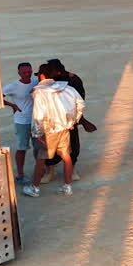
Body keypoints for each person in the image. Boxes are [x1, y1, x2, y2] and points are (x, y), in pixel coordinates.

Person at [24, 63, 85, 197]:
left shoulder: (39, 92)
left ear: (42, 75)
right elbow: (80, 104)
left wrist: (36, 133)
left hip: (47, 131)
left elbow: (38, 115)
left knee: (40, 160)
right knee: (66, 157)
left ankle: (35, 188)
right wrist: (73, 121)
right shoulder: (68, 88)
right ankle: (67, 187)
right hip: (64, 129)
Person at [42, 58, 95, 179]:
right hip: (53, 121)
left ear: (58, 71)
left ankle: (72, 168)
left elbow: (80, 100)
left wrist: (77, 118)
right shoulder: (49, 80)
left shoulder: (73, 79)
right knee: (50, 146)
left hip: (70, 119)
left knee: (73, 144)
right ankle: (49, 169)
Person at [2, 62, 35, 183]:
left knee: (39, 148)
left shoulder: (36, 82)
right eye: (24, 72)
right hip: (21, 121)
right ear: (19, 73)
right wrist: (12, 105)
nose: (27, 74)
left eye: (29, 71)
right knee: (22, 148)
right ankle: (20, 175)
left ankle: (41, 171)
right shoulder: (13, 86)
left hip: (36, 120)